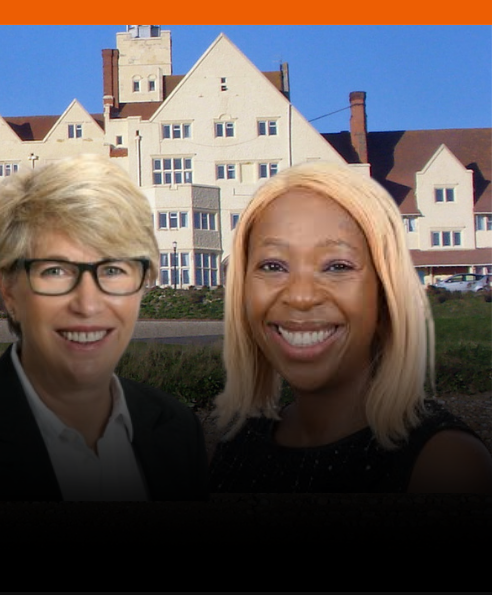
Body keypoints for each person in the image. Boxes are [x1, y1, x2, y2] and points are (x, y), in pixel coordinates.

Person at [0, 155, 208, 500]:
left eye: (113, 271)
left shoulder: (177, 430)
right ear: (8, 289)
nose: (88, 303)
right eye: (55, 272)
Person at [210, 161, 492, 492]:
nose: (301, 296)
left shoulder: (446, 463)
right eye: (273, 266)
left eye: (337, 266)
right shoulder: (239, 443)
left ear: (385, 294)